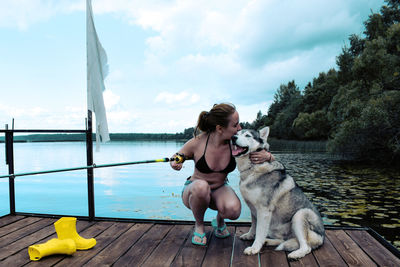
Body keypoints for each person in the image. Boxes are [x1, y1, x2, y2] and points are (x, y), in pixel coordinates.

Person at [170, 103, 274, 246]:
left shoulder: (236, 145)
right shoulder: (198, 142)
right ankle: (199, 226)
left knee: (234, 210)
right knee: (201, 186)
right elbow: (178, 155)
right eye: (235, 125)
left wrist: (268, 156)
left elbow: (260, 149)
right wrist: (175, 161)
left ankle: (219, 221)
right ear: (220, 128)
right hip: (194, 192)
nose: (239, 128)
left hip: (219, 189)